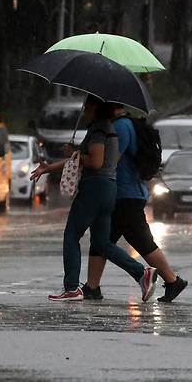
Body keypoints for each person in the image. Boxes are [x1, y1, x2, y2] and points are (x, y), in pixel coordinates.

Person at [30, 95, 158, 302]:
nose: (85, 107)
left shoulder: (99, 129)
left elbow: (96, 162)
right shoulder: (107, 127)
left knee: (71, 235)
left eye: (88, 104)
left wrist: (74, 152)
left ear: (96, 107)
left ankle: (71, 287)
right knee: (101, 242)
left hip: (95, 188)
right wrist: (48, 168)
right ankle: (141, 273)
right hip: (108, 189)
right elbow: (78, 159)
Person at [82, 105, 188, 303]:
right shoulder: (123, 124)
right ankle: (92, 287)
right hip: (124, 193)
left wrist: (86, 157)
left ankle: (173, 281)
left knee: (136, 242)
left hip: (125, 194)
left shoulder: (121, 127)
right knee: (103, 240)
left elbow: (110, 161)